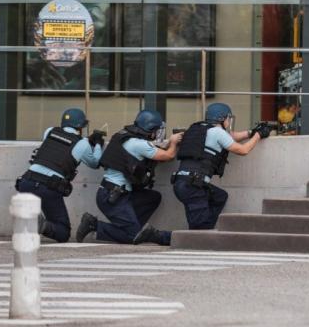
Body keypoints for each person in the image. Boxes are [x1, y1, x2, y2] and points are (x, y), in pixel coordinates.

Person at [75, 110, 182, 246]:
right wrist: (173, 142)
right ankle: (94, 225)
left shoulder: (124, 137)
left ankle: (135, 228)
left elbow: (146, 155)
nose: (157, 133)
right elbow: (168, 156)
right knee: (132, 236)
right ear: (150, 129)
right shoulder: (139, 144)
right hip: (113, 197)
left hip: (114, 193)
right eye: (156, 129)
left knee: (153, 197)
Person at [171, 103, 270, 232]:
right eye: (228, 118)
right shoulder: (217, 132)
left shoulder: (198, 129)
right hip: (193, 187)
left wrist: (251, 132)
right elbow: (243, 150)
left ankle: (205, 228)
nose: (229, 121)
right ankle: (157, 236)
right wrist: (258, 136)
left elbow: (229, 137)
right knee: (198, 233)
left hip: (182, 183)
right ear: (222, 119)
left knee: (219, 196)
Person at [15, 108, 104, 243]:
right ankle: (41, 225)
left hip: (26, 182)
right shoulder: (82, 143)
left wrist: (86, 141)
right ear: (80, 127)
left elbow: (61, 145)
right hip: (48, 187)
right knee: (63, 232)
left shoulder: (49, 131)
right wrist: (97, 144)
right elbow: (95, 163)